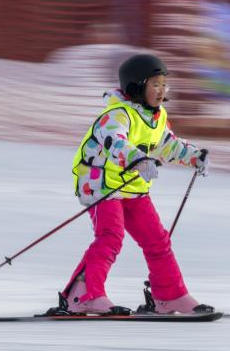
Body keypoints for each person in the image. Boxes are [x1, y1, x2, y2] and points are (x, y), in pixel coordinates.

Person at [62, 54, 213, 314]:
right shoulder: (117, 115)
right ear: (136, 86)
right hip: (101, 185)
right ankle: (83, 295)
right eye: (155, 84)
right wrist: (138, 160)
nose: (161, 90)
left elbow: (167, 145)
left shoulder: (157, 117)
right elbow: (115, 143)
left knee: (157, 240)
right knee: (111, 237)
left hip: (133, 187)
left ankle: (169, 296)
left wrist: (194, 156)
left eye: (164, 84)